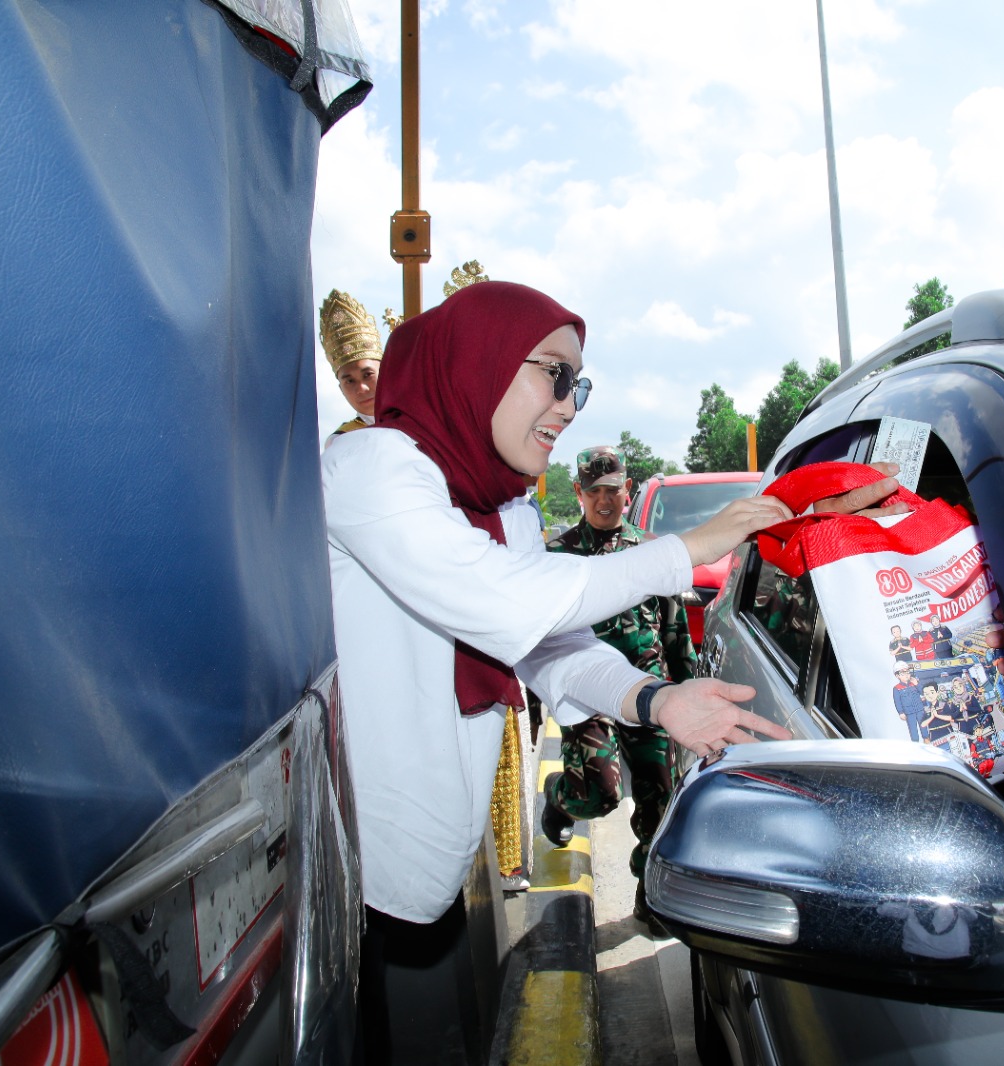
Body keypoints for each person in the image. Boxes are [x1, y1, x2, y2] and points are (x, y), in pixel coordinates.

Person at [322, 280, 900, 1059]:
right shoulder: (373, 469)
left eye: (578, 384)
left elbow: (552, 645)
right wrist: (691, 547)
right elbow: (506, 604)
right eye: (553, 373)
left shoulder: (502, 510)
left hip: (434, 868)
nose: (568, 405)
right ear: (476, 364)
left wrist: (656, 700)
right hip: (357, 888)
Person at [541, 444, 694, 935]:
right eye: (595, 492)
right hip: (588, 695)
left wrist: (686, 689)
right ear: (579, 493)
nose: (605, 501)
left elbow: (675, 630)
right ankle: (559, 795)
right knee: (599, 795)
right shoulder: (557, 558)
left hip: (648, 691)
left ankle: (648, 894)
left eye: (614, 490)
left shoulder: (650, 550)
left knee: (660, 801)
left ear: (628, 491)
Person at [318, 288, 383, 448]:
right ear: (341, 389)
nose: (361, 388)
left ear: (386, 372)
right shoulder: (341, 442)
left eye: (368, 374)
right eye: (350, 381)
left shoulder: (420, 424)